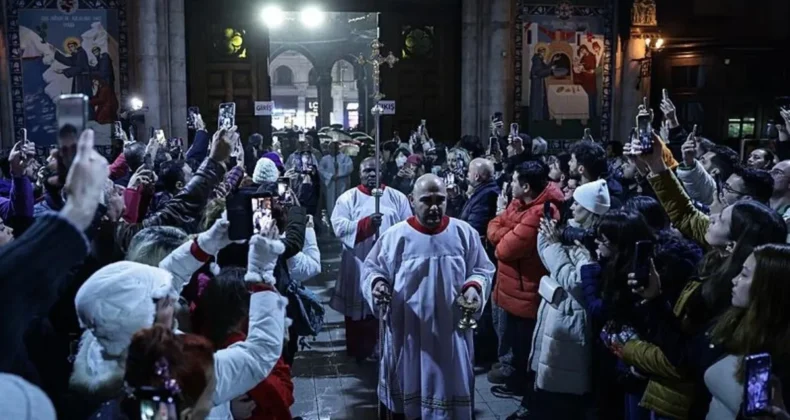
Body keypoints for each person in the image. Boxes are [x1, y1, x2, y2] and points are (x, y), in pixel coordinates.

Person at [362, 174, 496, 420]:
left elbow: (482, 269)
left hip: (450, 332)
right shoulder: (395, 236)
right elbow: (372, 269)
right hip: (408, 331)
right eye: (426, 200)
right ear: (412, 201)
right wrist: (378, 285)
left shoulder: (463, 233)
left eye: (440, 200)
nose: (434, 207)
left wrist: (474, 287)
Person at [486, 160, 564, 394]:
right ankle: (512, 372)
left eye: (514, 181)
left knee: (523, 343)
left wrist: (501, 230)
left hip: (525, 291)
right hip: (510, 286)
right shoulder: (520, 203)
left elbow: (503, 250)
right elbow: (494, 223)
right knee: (512, 338)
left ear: (527, 186)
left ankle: (519, 385)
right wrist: (504, 228)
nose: (510, 185)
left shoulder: (542, 212)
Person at [330, 157, 412, 361]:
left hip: (387, 262)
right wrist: (365, 225)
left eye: (376, 170)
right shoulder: (348, 198)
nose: (372, 174)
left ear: (382, 173)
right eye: (367, 171)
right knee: (360, 307)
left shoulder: (397, 198)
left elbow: (408, 226)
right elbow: (339, 226)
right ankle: (360, 349)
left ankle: (385, 347)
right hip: (358, 260)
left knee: (384, 304)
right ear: (359, 173)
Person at [318, 140, 353, 224]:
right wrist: (330, 176)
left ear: (338, 149)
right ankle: (332, 221)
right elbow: (320, 170)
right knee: (331, 203)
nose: (332, 150)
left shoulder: (345, 158)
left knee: (341, 201)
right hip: (330, 184)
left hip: (341, 183)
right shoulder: (325, 159)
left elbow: (350, 167)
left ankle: (342, 219)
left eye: (334, 148)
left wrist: (340, 168)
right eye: (330, 148)